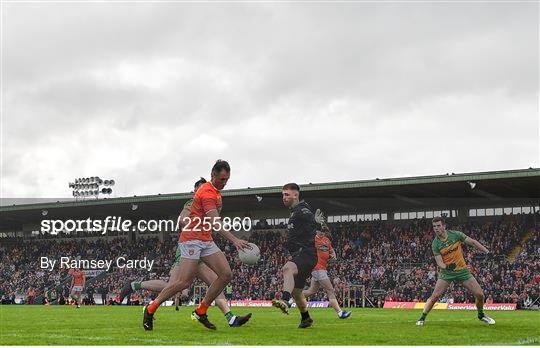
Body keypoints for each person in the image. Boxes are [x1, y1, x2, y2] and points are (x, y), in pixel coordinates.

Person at [122, 178, 251, 327]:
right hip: (190, 246)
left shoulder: (212, 202)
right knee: (177, 284)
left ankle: (228, 317)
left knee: (216, 281)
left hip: (204, 245)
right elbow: (182, 220)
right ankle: (141, 293)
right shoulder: (191, 203)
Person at [416, 217, 495, 326]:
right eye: (434, 226)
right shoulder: (435, 243)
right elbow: (439, 262)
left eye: (438, 226)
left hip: (462, 271)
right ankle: (421, 318)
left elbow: (472, 242)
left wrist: (487, 252)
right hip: (447, 272)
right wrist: (447, 267)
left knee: (480, 295)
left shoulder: (456, 235)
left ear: (444, 226)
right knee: (435, 296)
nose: (436, 228)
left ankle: (481, 315)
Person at [272, 183, 318, 328]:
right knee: (297, 292)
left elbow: (312, 220)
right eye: (283, 195)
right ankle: (306, 319)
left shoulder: (302, 210)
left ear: (295, 195)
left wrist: (317, 222)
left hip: (306, 253)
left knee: (287, 269)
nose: (284, 198)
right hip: (301, 254)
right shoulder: (295, 211)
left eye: (286, 194)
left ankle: (285, 301)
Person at [302, 226, 352, 319]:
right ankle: (340, 313)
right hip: (317, 268)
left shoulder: (327, 240)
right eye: (320, 231)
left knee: (311, 291)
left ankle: (293, 298)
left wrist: (333, 254)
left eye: (323, 232)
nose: (322, 233)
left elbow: (331, 250)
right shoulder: (312, 240)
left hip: (322, 268)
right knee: (330, 290)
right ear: (316, 231)